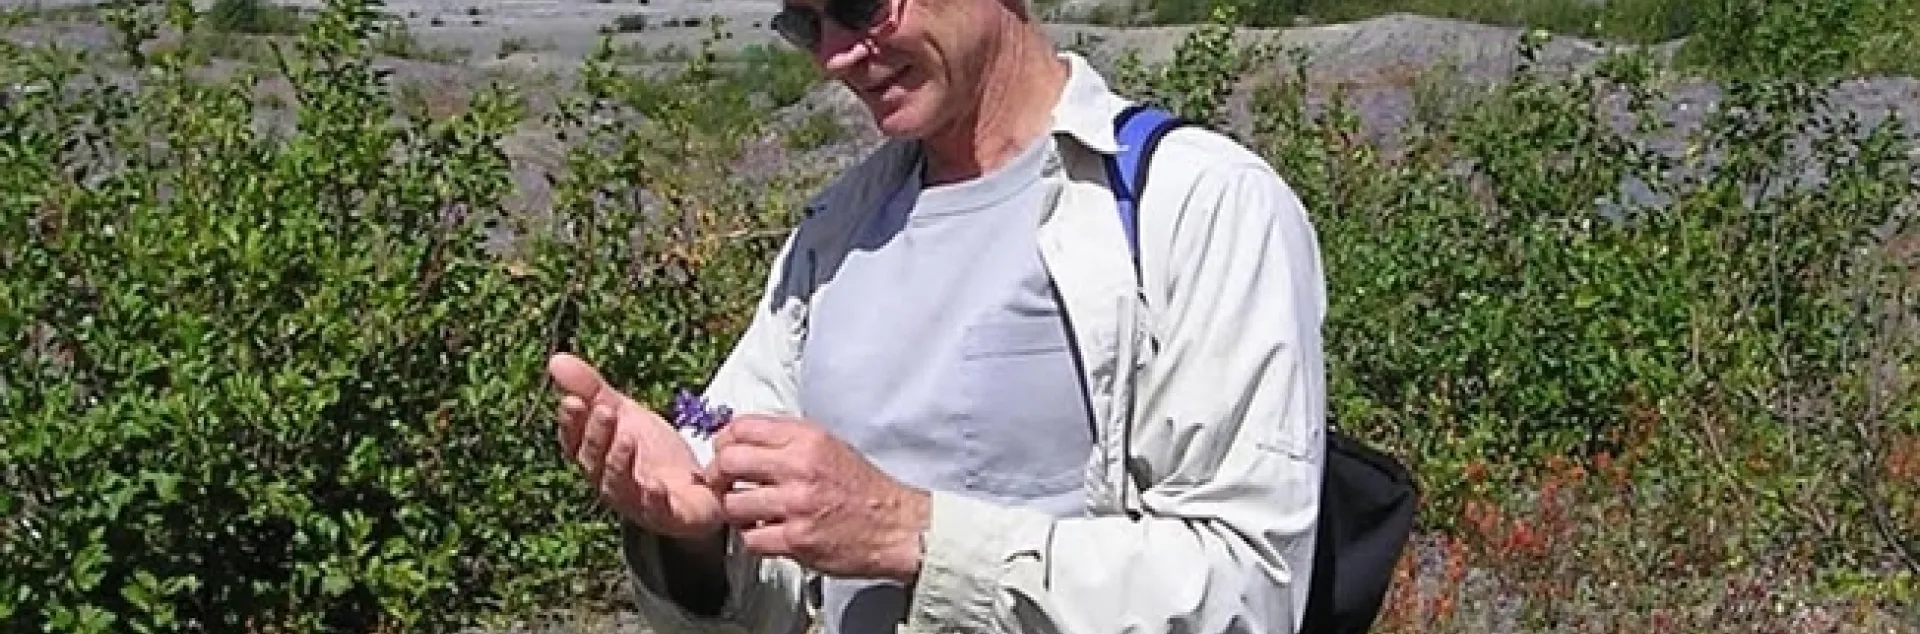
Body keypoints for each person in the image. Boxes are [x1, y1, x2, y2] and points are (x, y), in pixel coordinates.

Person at [544, 0, 1330, 629]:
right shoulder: (834, 233)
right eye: (803, 23)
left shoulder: (1201, 205)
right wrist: (697, 534)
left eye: (858, 8)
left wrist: (911, 533)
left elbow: (1248, 592)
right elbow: (775, 589)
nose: (834, 55)